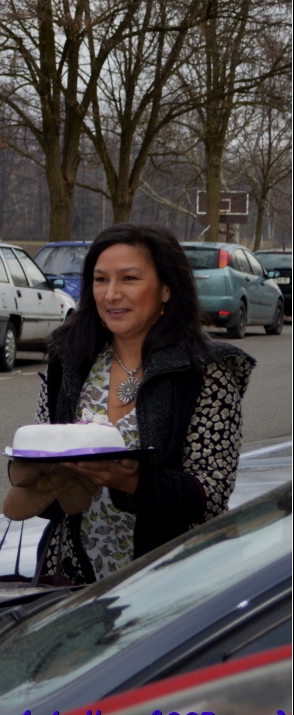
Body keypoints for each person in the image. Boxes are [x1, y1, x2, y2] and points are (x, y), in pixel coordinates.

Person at [28, 223, 254, 585]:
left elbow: (210, 496)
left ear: (166, 288)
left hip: (173, 582)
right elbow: (41, 455)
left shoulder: (206, 371)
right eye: (100, 280)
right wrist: (34, 472)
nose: (111, 294)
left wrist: (134, 481)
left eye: (129, 278)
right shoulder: (69, 360)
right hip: (78, 580)